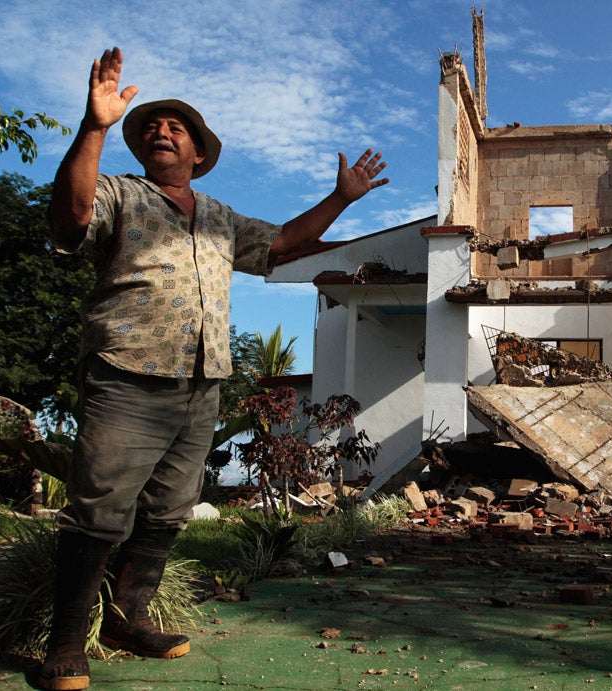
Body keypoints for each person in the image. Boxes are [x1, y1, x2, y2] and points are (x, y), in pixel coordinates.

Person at [39, 47, 388, 691]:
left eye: (176, 128)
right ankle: (64, 644)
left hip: (203, 383)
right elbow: (73, 215)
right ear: (139, 149)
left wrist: (341, 198)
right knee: (98, 512)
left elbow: (283, 242)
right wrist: (94, 127)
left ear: (198, 152)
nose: (161, 132)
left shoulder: (222, 217)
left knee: (169, 510)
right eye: (150, 128)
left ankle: (127, 618)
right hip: (128, 374)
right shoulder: (119, 194)